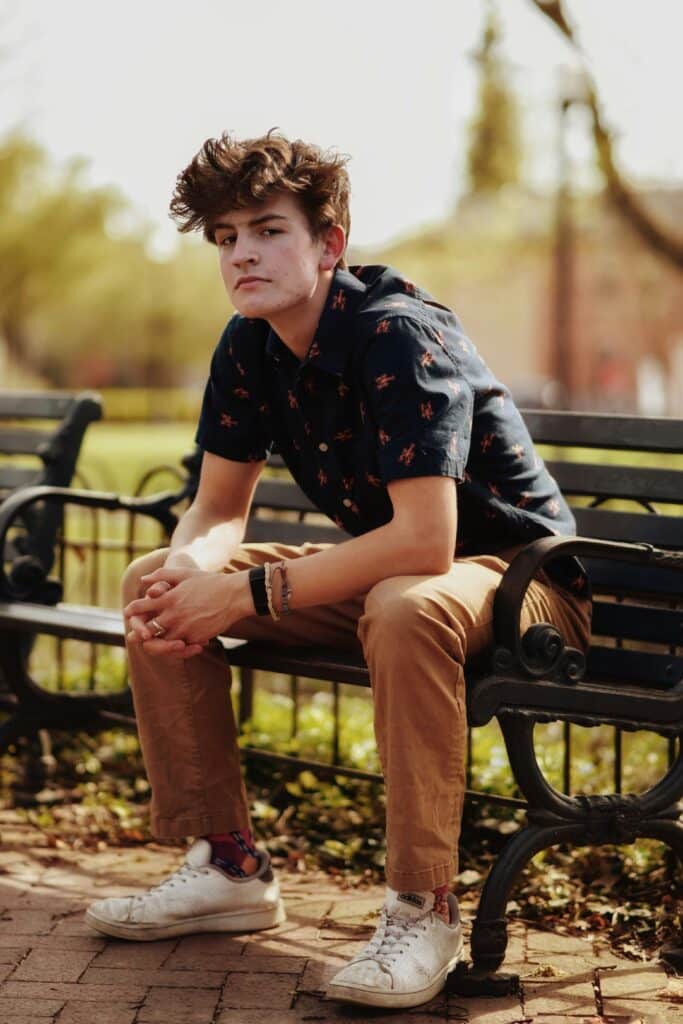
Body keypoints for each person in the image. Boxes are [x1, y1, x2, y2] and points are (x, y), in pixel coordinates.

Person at [85, 131, 591, 1010]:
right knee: (149, 580)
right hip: (405, 575)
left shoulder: (398, 335)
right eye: (225, 236)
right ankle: (229, 865)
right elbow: (213, 510)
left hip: (524, 582)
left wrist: (241, 591)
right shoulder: (248, 345)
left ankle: (420, 909)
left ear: (329, 242)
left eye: (267, 229)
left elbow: (425, 542)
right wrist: (191, 578)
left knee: (403, 603)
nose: (242, 252)